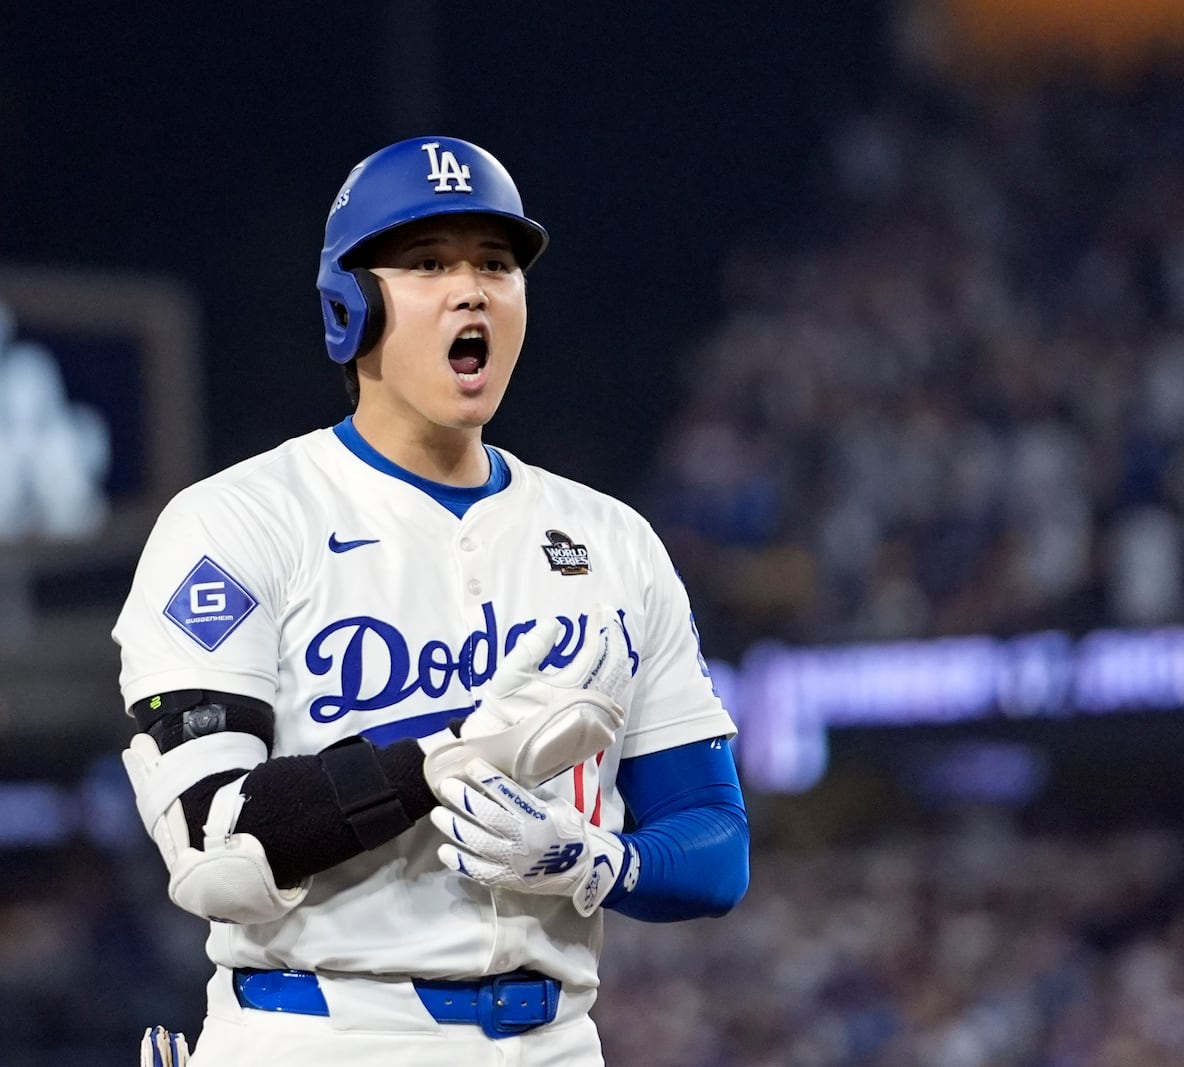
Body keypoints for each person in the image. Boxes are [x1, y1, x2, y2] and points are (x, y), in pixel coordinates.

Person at [113, 136, 749, 1067]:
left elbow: (718, 845)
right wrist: (440, 765)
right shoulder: (238, 522)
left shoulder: (613, 541)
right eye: (426, 263)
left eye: (495, 263)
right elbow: (212, 839)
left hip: (556, 1040)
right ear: (350, 304)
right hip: (322, 1031)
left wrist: (594, 861)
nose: (471, 289)